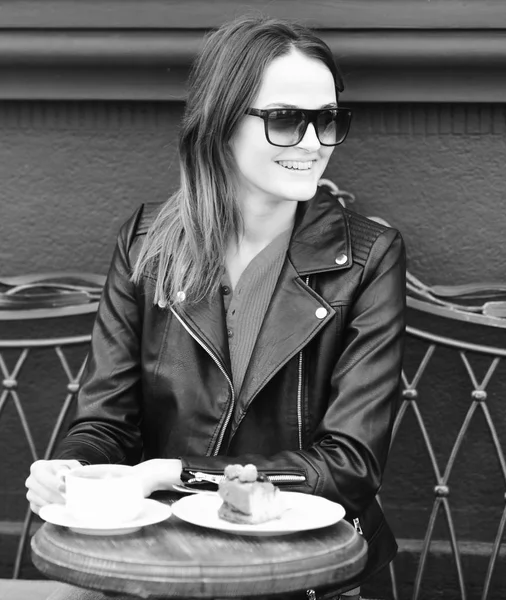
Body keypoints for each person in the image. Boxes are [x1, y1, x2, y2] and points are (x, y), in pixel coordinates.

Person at [26, 15, 406, 600]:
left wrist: (178, 475)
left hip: (306, 576)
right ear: (220, 124)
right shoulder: (147, 243)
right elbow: (106, 423)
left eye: (327, 120)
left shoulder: (369, 257)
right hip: (159, 565)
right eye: (285, 119)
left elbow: (349, 466)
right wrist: (73, 470)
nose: (313, 143)